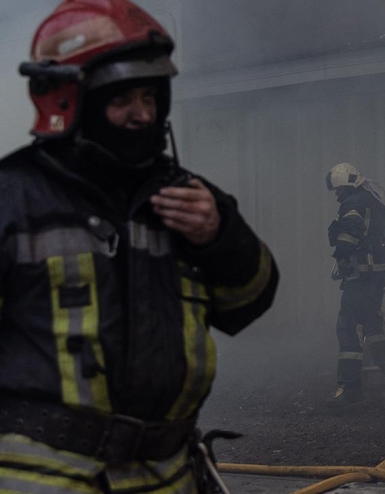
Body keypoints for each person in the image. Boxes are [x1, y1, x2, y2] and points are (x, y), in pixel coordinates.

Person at [0, 1, 279, 492]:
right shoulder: (13, 200)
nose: (142, 114)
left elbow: (249, 302)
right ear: (69, 99)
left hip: (165, 475)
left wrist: (218, 236)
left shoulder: (185, 197)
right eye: (122, 98)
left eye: (151, 97)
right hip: (40, 480)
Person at [326, 162, 385, 404]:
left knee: (347, 325)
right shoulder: (376, 203)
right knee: (372, 321)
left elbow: (351, 229)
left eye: (338, 189)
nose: (337, 194)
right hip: (377, 273)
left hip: (359, 274)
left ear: (347, 186)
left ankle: (349, 388)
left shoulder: (353, 203)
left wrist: (343, 253)